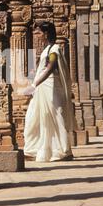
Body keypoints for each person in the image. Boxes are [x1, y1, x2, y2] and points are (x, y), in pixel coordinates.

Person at [24, 22, 77, 162]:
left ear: (46, 34)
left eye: (39, 33)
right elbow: (43, 68)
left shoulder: (54, 49)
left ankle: (63, 151)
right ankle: (34, 149)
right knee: (34, 117)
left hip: (52, 88)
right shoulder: (47, 49)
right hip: (43, 89)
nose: (37, 36)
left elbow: (50, 69)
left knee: (56, 117)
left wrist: (34, 84)